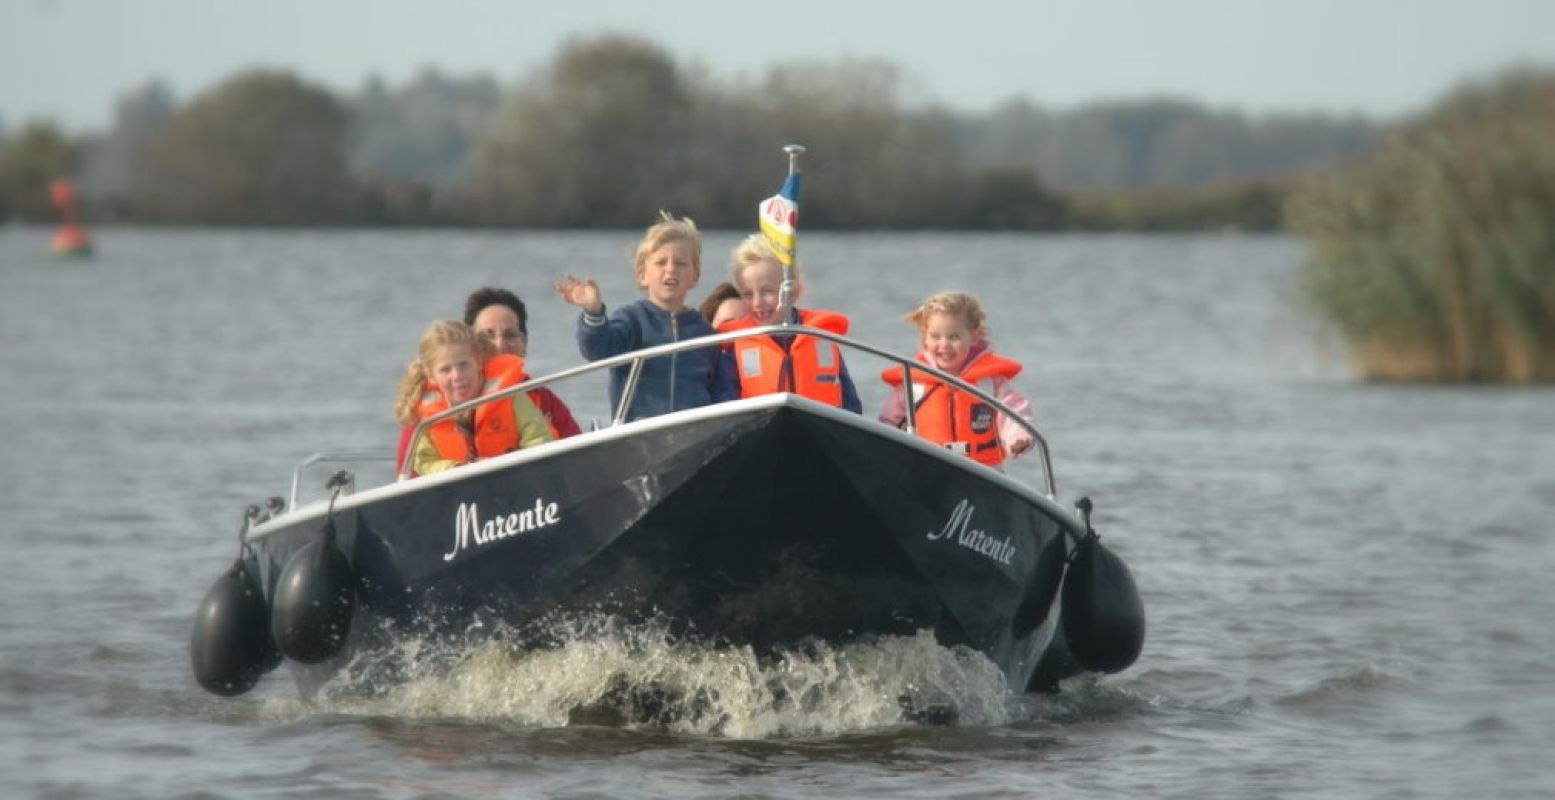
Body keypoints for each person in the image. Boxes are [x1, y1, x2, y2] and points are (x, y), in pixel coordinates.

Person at [554, 211, 722, 421]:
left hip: (693, 432)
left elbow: (718, 390)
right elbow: (597, 350)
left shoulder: (705, 333)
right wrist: (593, 312)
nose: (671, 269)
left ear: (695, 276)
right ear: (643, 275)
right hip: (640, 431)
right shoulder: (632, 320)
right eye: (661, 262)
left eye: (681, 263)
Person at [878, 292, 1035, 467]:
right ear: (925, 339)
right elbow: (889, 423)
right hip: (925, 470)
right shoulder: (913, 384)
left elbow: (1013, 412)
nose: (944, 344)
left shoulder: (989, 382)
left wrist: (1018, 438)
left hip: (983, 471)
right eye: (935, 337)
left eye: (954, 337)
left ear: (974, 337)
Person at [714, 234, 862, 413]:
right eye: (748, 294)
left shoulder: (822, 340)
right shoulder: (735, 349)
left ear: (794, 293)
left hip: (818, 433)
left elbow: (851, 405)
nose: (757, 302)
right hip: (761, 434)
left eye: (767, 291)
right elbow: (725, 404)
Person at [393, 320, 553, 477]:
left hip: (517, 480)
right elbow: (425, 462)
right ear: (431, 375)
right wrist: (456, 469)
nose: (457, 376)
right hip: (461, 492)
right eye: (445, 370)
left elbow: (538, 437)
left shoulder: (509, 395)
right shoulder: (426, 418)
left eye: (463, 365)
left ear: (478, 361)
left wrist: (505, 465)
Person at [464, 287, 582, 439]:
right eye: (487, 336)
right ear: (467, 344)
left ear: (524, 343)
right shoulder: (455, 398)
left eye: (510, 335)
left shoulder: (545, 400)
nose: (500, 345)